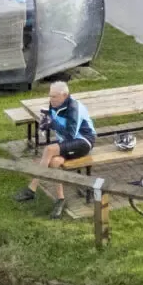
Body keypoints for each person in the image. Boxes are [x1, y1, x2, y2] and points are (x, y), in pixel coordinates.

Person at [15, 81, 95, 217]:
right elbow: (53, 122)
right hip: (67, 142)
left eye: (54, 96)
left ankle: (32, 188)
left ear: (64, 95)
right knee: (53, 162)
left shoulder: (74, 108)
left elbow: (70, 134)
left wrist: (52, 124)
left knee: (49, 150)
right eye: (50, 96)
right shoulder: (53, 104)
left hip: (83, 142)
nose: (50, 99)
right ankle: (60, 199)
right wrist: (45, 124)